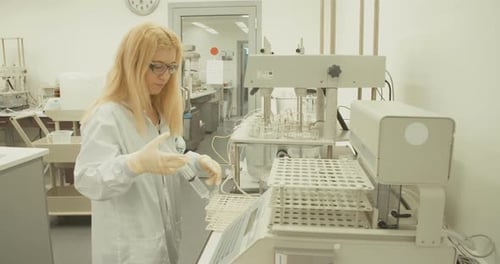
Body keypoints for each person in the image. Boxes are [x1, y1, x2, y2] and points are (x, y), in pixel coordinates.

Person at [74, 22, 221, 264]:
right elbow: (87, 180)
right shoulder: (107, 115)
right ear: (132, 63)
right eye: (157, 66)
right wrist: (134, 165)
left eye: (172, 67)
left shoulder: (159, 109)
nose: (165, 76)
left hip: (163, 238)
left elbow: (172, 153)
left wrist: (197, 162)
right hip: (129, 248)